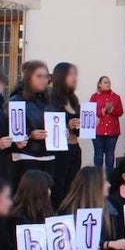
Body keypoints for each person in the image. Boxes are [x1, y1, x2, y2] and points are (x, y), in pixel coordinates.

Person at [9, 60, 54, 187]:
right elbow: (10, 130)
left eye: (46, 76)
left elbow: (55, 121)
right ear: (29, 78)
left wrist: (63, 130)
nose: (44, 80)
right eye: (39, 76)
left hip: (48, 156)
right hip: (26, 157)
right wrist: (30, 134)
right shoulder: (16, 100)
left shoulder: (49, 100)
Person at [49, 61, 83, 207]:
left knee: (73, 188)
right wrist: (66, 126)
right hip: (60, 152)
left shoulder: (74, 99)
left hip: (74, 148)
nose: (74, 78)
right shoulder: (52, 100)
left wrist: (85, 124)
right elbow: (51, 125)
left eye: (75, 74)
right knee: (59, 188)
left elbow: (79, 130)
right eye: (70, 74)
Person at [89, 75, 123, 176]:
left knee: (110, 154)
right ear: (99, 84)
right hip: (98, 130)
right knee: (98, 155)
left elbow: (120, 111)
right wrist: (101, 111)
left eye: (108, 82)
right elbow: (90, 112)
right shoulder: (94, 97)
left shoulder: (116, 97)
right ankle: (98, 178)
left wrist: (112, 110)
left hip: (112, 130)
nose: (108, 84)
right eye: (105, 82)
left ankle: (109, 179)